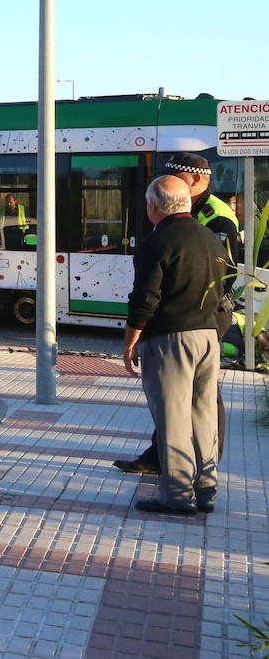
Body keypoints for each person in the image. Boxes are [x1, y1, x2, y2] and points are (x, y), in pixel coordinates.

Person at [114, 152, 235, 476]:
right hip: (195, 320)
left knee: (198, 403)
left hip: (198, 316)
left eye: (175, 178)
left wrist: (138, 332)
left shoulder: (215, 216)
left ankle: (189, 475)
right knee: (181, 401)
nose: (166, 186)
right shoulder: (188, 213)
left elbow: (226, 274)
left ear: (194, 180)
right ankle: (174, 466)